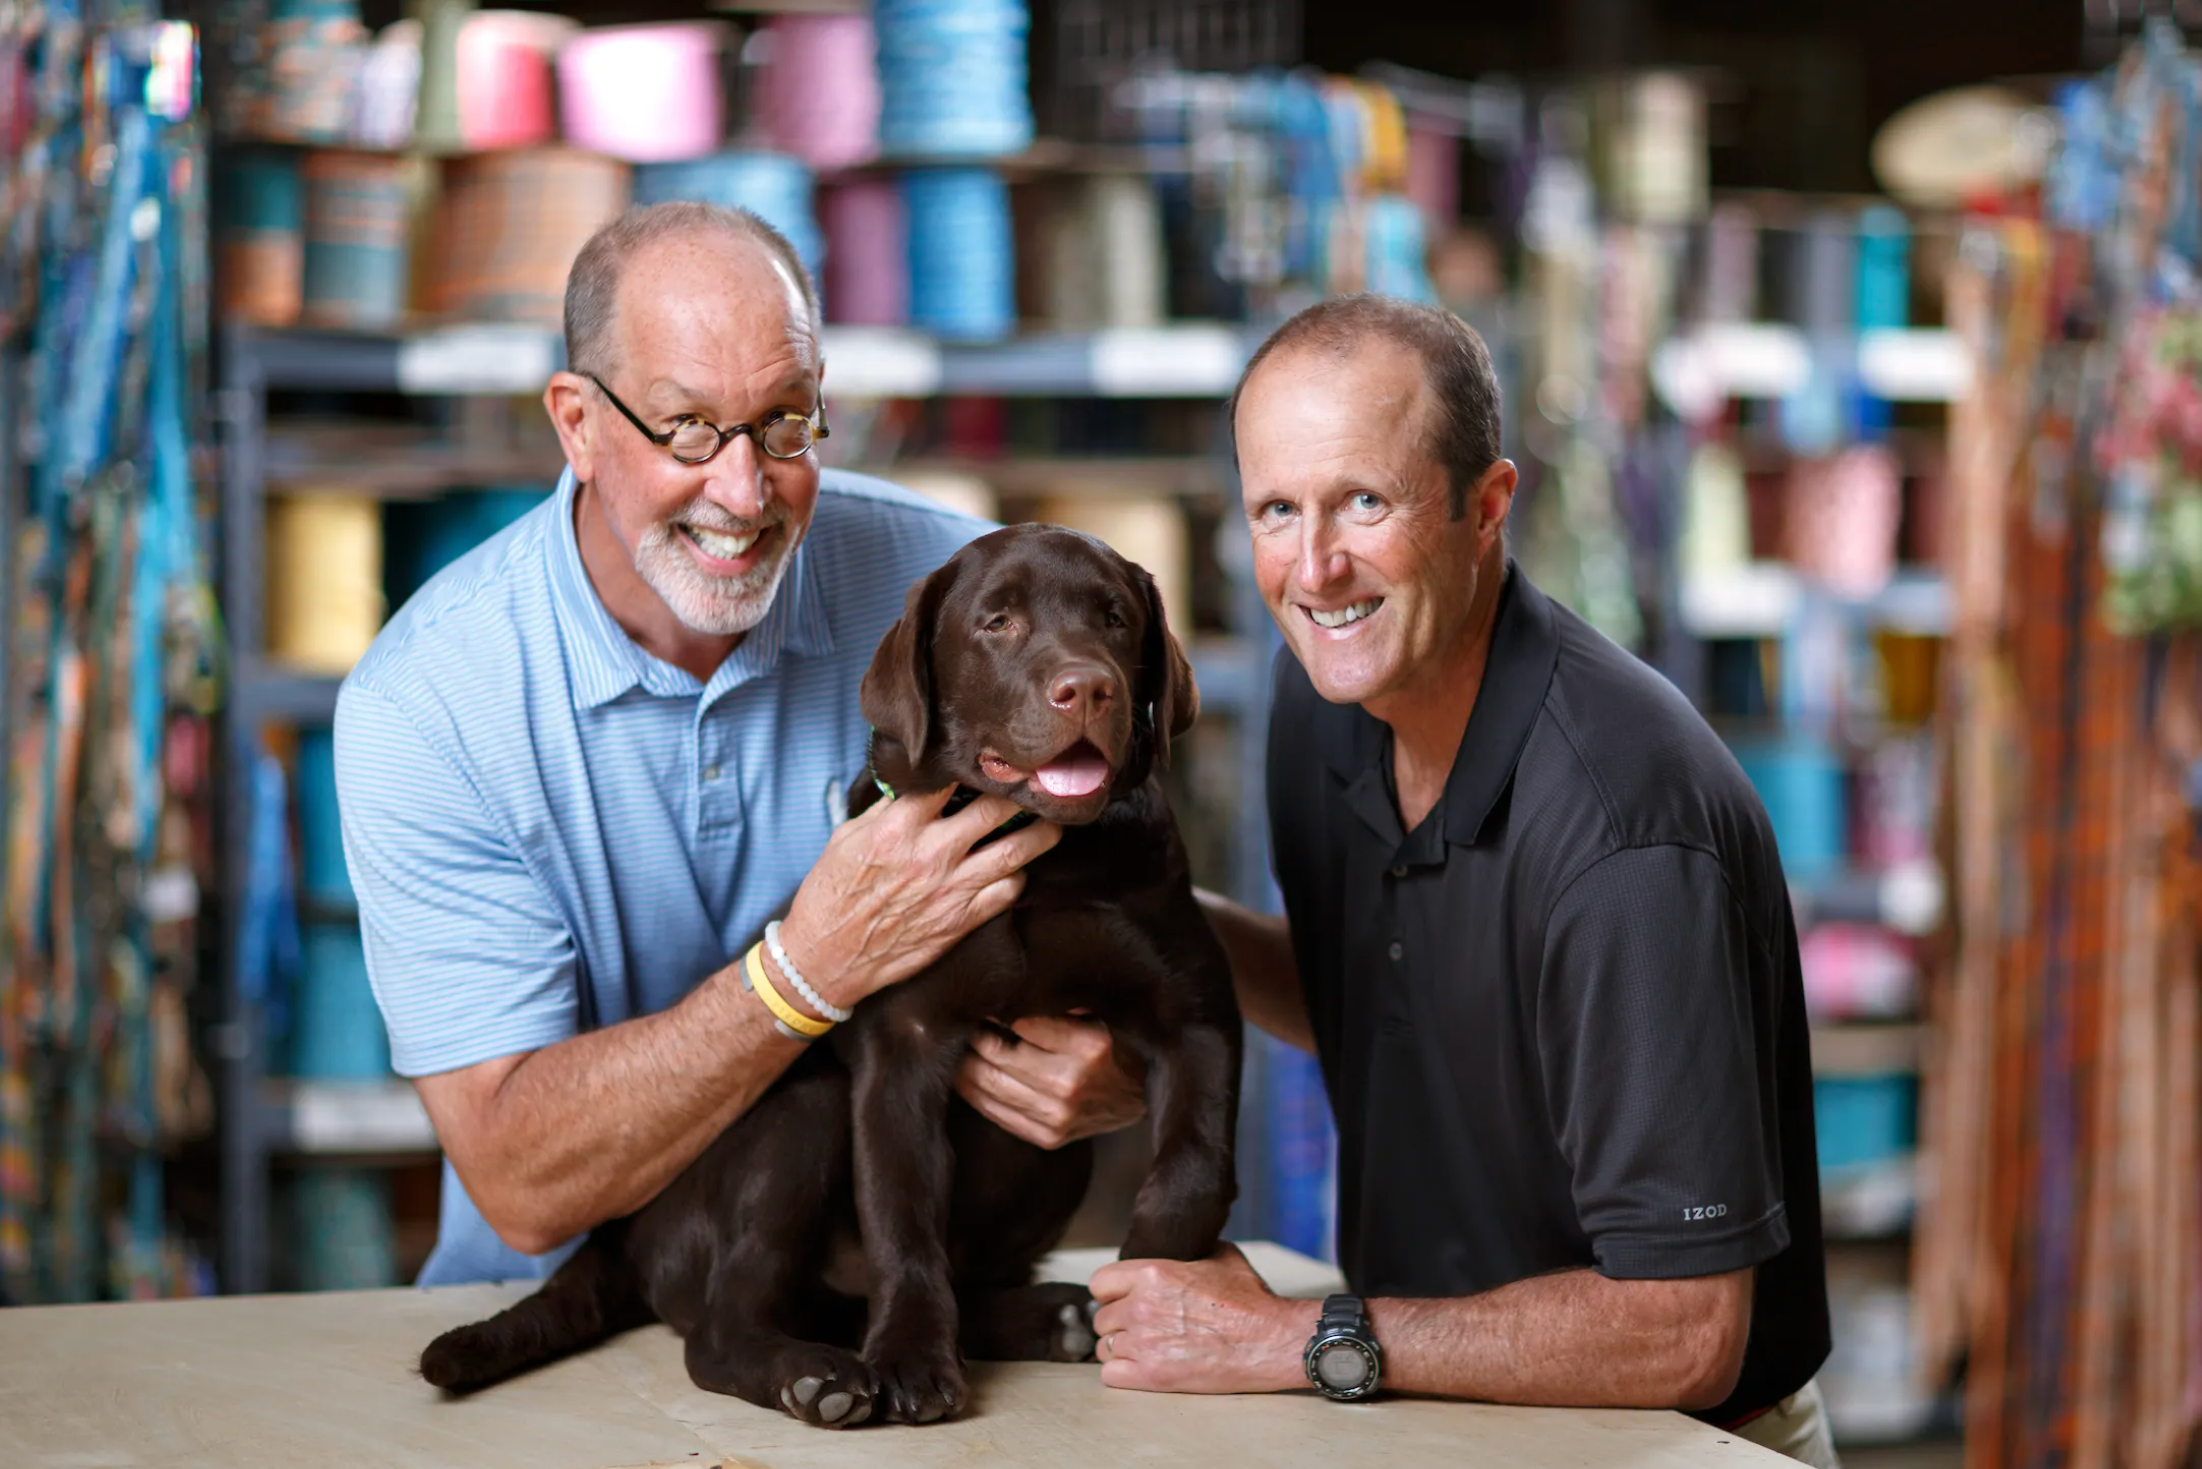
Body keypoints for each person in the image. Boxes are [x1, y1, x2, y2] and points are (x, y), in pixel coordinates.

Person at [333, 202, 1144, 1287]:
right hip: (553, 1323)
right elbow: (520, 1182)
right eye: (686, 429)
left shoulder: (967, 602)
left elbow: (1141, 888)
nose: (743, 489)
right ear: (576, 422)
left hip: (894, 1304)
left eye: (784, 422)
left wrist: (1131, 1048)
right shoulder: (427, 704)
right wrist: (803, 973)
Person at [1089, 295, 1838, 1468]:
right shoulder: (1329, 697)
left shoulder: (1624, 834)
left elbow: (1686, 1329)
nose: (1316, 567)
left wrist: (1293, 1336)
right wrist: (1117, 923)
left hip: (1669, 1442)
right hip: (1432, 1414)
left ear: (1486, 505)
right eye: (1277, 510)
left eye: (1364, 502)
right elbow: (1374, 992)